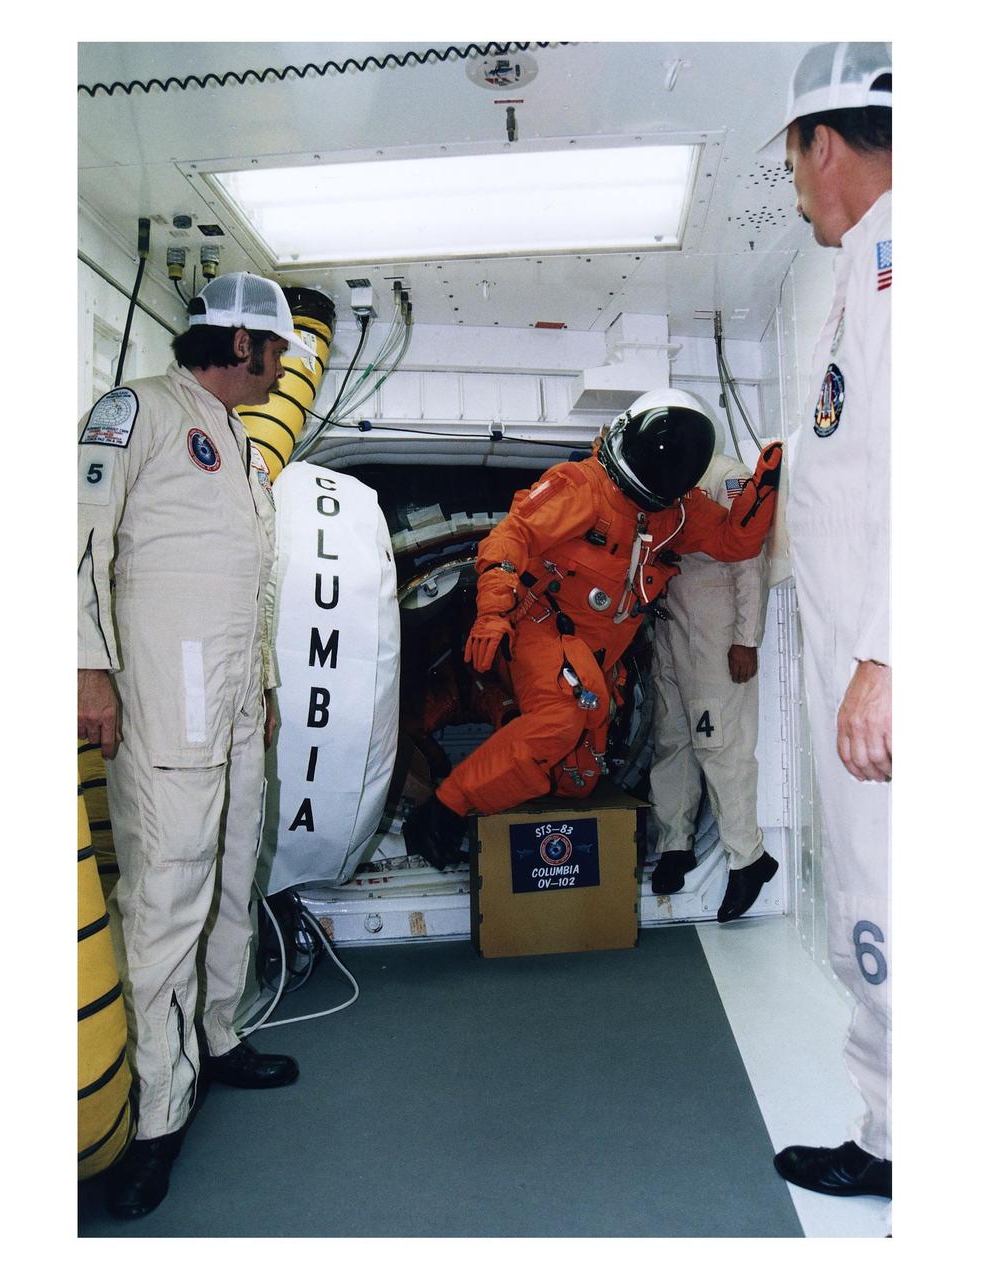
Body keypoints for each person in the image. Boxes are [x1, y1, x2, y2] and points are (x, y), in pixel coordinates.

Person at [77, 272, 311, 1218]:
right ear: (243, 344)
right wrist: (85, 669)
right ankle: (159, 1117)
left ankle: (219, 1037)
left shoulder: (247, 453)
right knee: (168, 892)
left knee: (228, 875)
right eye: (278, 351)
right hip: (164, 699)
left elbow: (245, 582)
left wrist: (259, 680)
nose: (283, 366)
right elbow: (75, 542)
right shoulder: (135, 412)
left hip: (231, 705)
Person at [405, 389, 783, 869]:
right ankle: (444, 809)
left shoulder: (674, 512)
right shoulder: (580, 487)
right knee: (560, 722)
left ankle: (501, 723)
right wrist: (493, 612)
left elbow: (732, 541)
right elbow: (512, 536)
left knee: (577, 779)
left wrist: (763, 490)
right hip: (542, 628)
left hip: (596, 658)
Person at [761, 43, 893, 1200]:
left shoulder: (911, 261)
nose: (796, 184)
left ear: (826, 144)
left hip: (887, 672)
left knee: (899, 909)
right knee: (868, 903)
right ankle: (891, 1130)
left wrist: (890, 654)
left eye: (795, 159)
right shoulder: (864, 267)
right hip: (857, 662)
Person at [648, 449, 774, 923]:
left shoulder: (728, 478)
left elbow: (749, 560)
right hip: (671, 624)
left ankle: (749, 859)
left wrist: (746, 639)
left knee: (719, 746)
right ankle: (675, 844)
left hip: (716, 633)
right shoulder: (660, 481)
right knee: (671, 739)